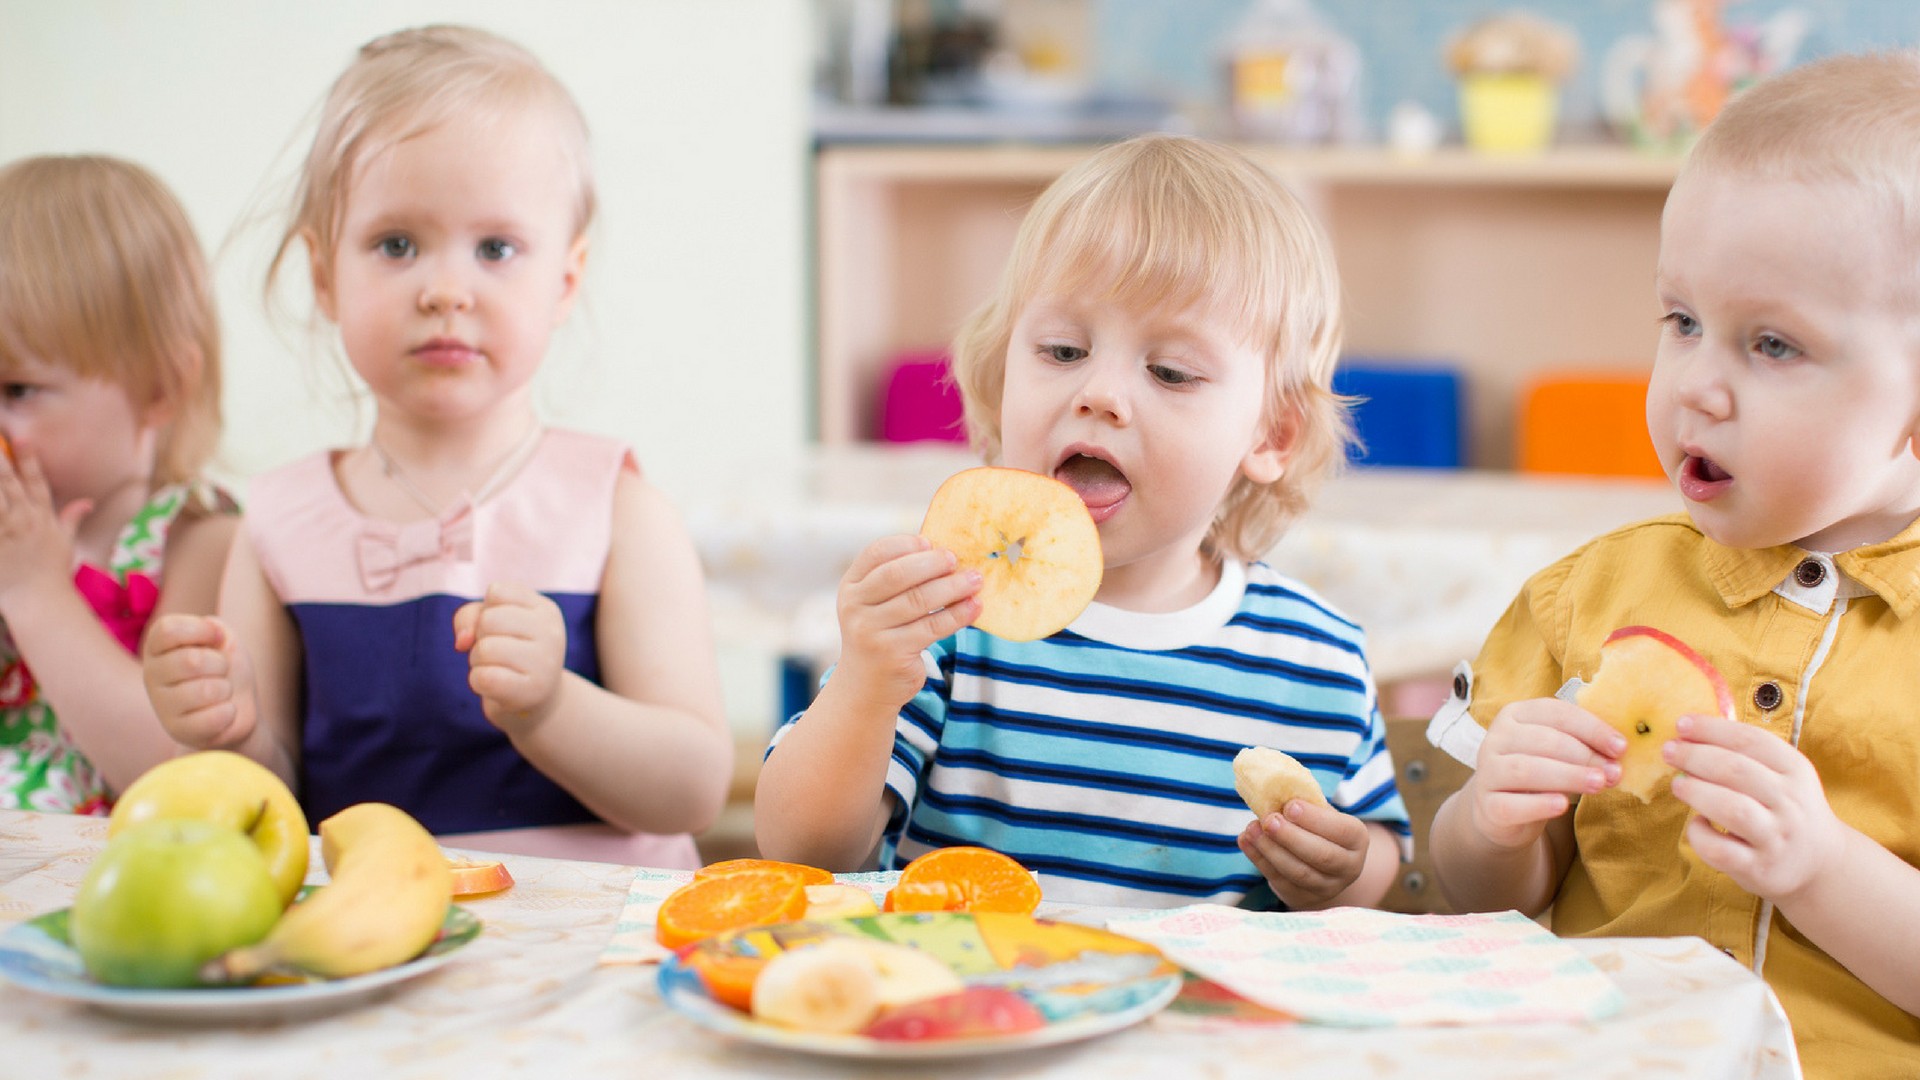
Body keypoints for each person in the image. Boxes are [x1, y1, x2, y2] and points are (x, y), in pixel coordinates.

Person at [1425, 52, 1920, 1077]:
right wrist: (1494, 821)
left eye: (1772, 345)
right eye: (1683, 322)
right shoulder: (1587, 596)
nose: (1696, 384)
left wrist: (1822, 869)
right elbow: (1476, 901)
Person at [756, 134, 1409, 908]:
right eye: (1063, 350)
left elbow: (1381, 851)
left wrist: (1345, 869)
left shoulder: (1318, 656)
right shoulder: (946, 621)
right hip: (973, 1006)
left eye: (1169, 371)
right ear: (1003, 384)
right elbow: (803, 849)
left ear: (1270, 435)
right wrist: (865, 683)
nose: (1100, 393)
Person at [142, 25, 731, 866]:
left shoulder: (616, 509)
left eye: (496, 249)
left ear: (563, 281)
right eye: (396, 245)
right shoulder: (276, 522)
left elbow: (695, 788)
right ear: (323, 277)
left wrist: (551, 709)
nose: (445, 290)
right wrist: (226, 730)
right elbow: (269, 799)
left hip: (600, 950)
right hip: (372, 942)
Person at [0, 155, 238, 813]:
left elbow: (172, 768)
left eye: (17, 389)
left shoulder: (199, 540)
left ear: (159, 389)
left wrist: (32, 588)